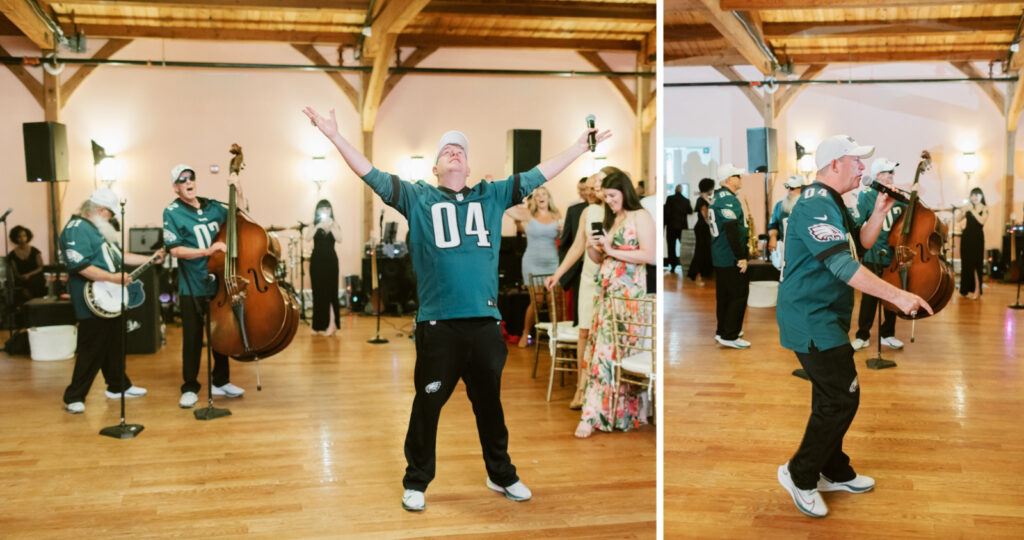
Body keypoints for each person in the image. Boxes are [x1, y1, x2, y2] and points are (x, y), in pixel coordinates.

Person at [303, 105, 610, 512]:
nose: (454, 152)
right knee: (427, 405)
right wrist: (335, 137)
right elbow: (370, 174)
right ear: (434, 168)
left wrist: (578, 147)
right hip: (438, 325)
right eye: (447, 150)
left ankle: (501, 474)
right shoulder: (417, 197)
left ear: (469, 169)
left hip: (484, 324)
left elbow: (541, 172)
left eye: (460, 151)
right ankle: (416, 480)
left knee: (490, 406)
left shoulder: (493, 193)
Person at [776, 135, 932, 518]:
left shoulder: (833, 203)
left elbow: (858, 247)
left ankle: (834, 469)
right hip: (810, 317)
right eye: (856, 161)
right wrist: (896, 296)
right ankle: (800, 474)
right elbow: (843, 267)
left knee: (832, 397)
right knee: (840, 398)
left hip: (827, 315)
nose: (864, 168)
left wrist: (880, 211)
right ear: (834, 165)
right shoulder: (814, 204)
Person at [574, 168, 656, 438]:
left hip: (628, 297)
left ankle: (597, 414)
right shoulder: (613, 219)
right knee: (601, 351)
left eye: (611, 195)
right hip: (606, 292)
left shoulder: (639, 216)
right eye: (605, 196)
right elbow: (601, 260)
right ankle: (602, 413)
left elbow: (650, 255)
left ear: (624, 191)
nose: (607, 200)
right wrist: (592, 246)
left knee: (614, 354)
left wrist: (611, 249)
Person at [60, 188, 154, 414]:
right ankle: (74, 395)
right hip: (92, 300)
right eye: (111, 215)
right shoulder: (76, 229)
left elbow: (120, 255)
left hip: (111, 298)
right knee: (92, 348)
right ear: (101, 211)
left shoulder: (98, 229)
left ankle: (118, 386)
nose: (112, 219)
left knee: (115, 344)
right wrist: (112, 277)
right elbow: (79, 265)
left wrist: (151, 258)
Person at [162, 164, 246, 409]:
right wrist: (207, 251)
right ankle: (189, 387)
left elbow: (239, 215)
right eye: (182, 180)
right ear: (176, 187)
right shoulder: (172, 212)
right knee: (192, 338)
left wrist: (239, 189)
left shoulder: (212, 206)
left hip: (218, 281)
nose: (188, 182)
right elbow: (175, 250)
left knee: (220, 333)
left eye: (191, 177)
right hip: (192, 285)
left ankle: (221, 381)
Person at [546, 172, 606, 409]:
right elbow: (576, 247)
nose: (591, 192)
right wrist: (557, 274)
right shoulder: (587, 212)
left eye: (596, 187)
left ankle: (599, 387)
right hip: (589, 278)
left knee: (602, 335)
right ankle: (580, 388)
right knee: (584, 333)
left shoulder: (617, 211)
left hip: (609, 278)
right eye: (589, 187)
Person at [850, 158, 908, 351]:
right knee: (869, 296)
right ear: (877, 176)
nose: (892, 176)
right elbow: (859, 222)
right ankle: (862, 335)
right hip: (873, 253)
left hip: (892, 254)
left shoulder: (897, 196)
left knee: (891, 296)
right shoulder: (866, 195)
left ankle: (888, 334)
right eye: (888, 172)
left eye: (892, 173)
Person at [505, 186, 561, 348]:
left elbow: (563, 235)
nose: (540, 197)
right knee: (537, 301)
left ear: (548, 197)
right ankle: (525, 333)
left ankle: (554, 336)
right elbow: (509, 210)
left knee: (552, 301)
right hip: (532, 262)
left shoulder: (557, 215)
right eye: (537, 195)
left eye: (543, 193)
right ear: (534, 199)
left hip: (552, 262)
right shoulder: (529, 214)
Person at [710, 164, 750, 349]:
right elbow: (731, 229)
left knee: (725, 296)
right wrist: (741, 256)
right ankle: (730, 334)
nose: (740, 178)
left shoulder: (717, 196)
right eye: (737, 175)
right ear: (728, 180)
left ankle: (724, 330)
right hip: (729, 255)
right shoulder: (728, 200)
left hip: (720, 254)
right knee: (737, 295)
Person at [557, 178, 590, 326]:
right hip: (579, 267)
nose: (586, 192)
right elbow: (565, 243)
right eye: (582, 189)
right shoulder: (575, 210)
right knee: (580, 309)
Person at [309, 199, 342, 335]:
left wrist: (331, 227)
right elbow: (307, 237)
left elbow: (339, 239)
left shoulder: (335, 224)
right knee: (317, 293)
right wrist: (318, 226)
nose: (324, 211)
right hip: (316, 261)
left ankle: (332, 324)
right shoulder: (314, 224)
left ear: (330, 210)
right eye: (322, 209)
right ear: (317, 211)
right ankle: (318, 326)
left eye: (327, 209)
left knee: (330, 293)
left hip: (330, 262)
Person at [767, 174, 807, 268]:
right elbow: (773, 224)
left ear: (801, 189)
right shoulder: (779, 206)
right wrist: (773, 237)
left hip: (802, 250)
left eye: (792, 188)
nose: (788, 190)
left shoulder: (807, 206)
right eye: (787, 187)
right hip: (783, 249)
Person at [958, 187, 988, 299]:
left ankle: (977, 290)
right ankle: (964, 290)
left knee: (976, 264)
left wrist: (972, 210)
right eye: (973, 195)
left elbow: (982, 221)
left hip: (977, 239)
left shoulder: (984, 208)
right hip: (966, 238)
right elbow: (957, 219)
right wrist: (963, 211)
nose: (974, 197)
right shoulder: (968, 208)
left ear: (981, 196)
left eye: (977, 195)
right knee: (966, 264)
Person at [686, 178, 715, 286]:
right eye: (711, 187)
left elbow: (713, 208)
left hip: (704, 228)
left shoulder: (706, 199)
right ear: (708, 188)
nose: (713, 189)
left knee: (705, 251)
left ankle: (701, 274)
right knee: (701, 251)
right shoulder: (701, 200)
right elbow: (706, 217)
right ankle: (696, 275)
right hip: (702, 228)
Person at [7, 225, 46, 306]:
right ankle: (26, 308)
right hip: (21, 278)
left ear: (28, 236)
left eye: (24, 236)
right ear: (15, 238)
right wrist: (22, 276)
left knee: (34, 282)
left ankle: (34, 305)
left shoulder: (35, 251)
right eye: (19, 236)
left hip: (35, 276)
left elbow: (40, 267)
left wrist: (29, 275)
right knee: (19, 285)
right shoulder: (12, 254)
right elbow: (15, 271)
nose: (22, 239)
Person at [664, 184, 693, 273]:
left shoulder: (670, 199)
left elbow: (666, 212)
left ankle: (673, 265)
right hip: (682, 228)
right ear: (682, 190)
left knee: (671, 247)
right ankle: (686, 264)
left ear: (675, 190)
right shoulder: (686, 200)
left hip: (671, 227)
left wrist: (663, 226)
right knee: (684, 247)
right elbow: (690, 211)